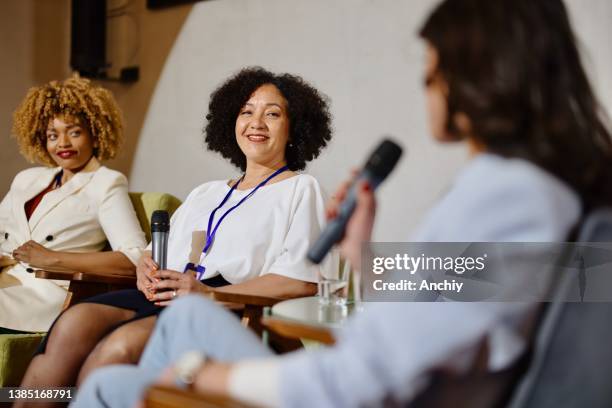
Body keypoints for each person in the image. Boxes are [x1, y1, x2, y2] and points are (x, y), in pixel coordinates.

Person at [71, 0, 612, 407]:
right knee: (185, 317)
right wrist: (363, 257)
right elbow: (456, 300)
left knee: (115, 382)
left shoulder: (505, 195)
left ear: (478, 78)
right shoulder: (535, 190)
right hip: (354, 368)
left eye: (432, 70)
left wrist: (201, 378)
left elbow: (362, 376)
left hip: (346, 392)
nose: (427, 86)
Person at [18, 67, 336, 398]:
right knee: (74, 322)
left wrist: (211, 295)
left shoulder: (302, 189)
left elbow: (301, 279)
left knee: (118, 348)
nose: (256, 123)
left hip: (227, 307)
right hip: (168, 295)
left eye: (272, 114)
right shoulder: (206, 192)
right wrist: (145, 266)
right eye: (246, 112)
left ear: (294, 126)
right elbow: (155, 252)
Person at [0, 75, 146, 335]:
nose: (63, 144)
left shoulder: (106, 182)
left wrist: (52, 258)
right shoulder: (26, 179)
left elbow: (134, 258)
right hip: (6, 281)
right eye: (52, 135)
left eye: (74, 132)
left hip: (42, 292)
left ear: (96, 132)